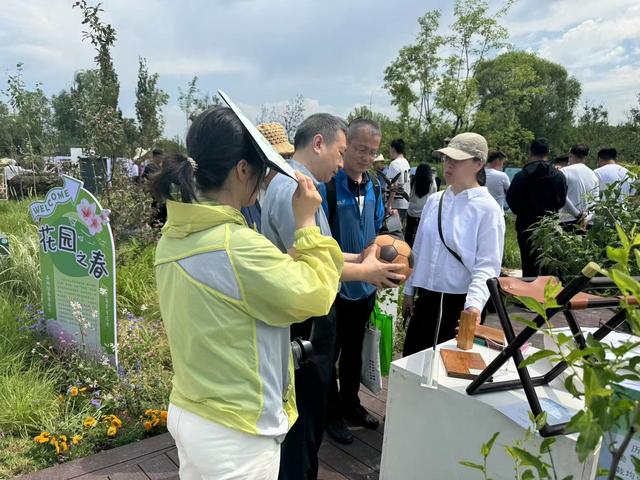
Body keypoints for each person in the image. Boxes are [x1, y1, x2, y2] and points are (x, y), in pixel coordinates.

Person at [152, 106, 343, 480]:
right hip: (236, 431)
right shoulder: (234, 245)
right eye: (260, 169)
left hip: (193, 411)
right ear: (242, 169)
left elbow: (236, 281)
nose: (264, 179)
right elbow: (317, 295)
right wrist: (306, 223)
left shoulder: (177, 235)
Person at [261, 114, 403, 480]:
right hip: (303, 322)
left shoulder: (302, 185)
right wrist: (368, 272)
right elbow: (310, 265)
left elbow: (321, 252)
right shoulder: (293, 188)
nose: (342, 163)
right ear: (319, 143)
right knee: (303, 420)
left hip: (311, 316)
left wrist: (360, 258)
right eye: (341, 152)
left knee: (310, 414)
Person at [402, 132, 505, 356]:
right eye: (446, 159)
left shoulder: (487, 208)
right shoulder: (435, 200)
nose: (448, 165)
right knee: (413, 362)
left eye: (456, 160)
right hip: (426, 299)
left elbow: (487, 265)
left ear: (478, 163)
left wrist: (474, 306)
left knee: (450, 371)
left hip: (460, 304)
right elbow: (418, 248)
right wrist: (409, 290)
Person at [324, 119, 393, 445]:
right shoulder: (328, 184)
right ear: (345, 145)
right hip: (333, 287)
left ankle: (350, 404)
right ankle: (330, 413)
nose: (367, 157)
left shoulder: (375, 186)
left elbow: (377, 232)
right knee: (328, 355)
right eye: (361, 149)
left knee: (354, 351)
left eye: (373, 152)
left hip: (364, 288)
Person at [506, 138, 568, 277]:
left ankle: (529, 293)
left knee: (528, 263)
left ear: (530, 152)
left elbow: (511, 198)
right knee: (548, 263)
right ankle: (548, 294)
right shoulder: (558, 175)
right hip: (549, 225)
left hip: (525, 225)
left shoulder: (522, 175)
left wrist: (521, 211)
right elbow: (562, 200)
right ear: (548, 152)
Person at [240, 122, 293, 232]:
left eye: (288, 157)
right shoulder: (245, 197)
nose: (286, 165)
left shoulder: (288, 193)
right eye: (282, 158)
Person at [558, 144, 600, 231]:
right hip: (587, 222)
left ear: (570, 154)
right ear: (586, 157)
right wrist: (587, 218)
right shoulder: (593, 175)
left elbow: (561, 196)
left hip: (567, 220)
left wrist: (577, 215)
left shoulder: (564, 172)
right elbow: (596, 202)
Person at [405, 163, 437, 248]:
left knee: (409, 231)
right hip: (424, 212)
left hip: (412, 211)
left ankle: (407, 247)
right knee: (421, 233)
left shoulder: (413, 180)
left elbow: (409, 194)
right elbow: (434, 195)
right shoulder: (432, 182)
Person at [141, 149, 168, 227]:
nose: (160, 159)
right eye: (159, 157)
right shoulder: (150, 167)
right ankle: (154, 231)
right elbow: (147, 179)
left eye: (161, 157)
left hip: (162, 196)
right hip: (154, 196)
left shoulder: (162, 167)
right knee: (155, 215)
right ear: (154, 157)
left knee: (163, 215)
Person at [387, 138, 412, 222]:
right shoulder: (406, 162)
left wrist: (389, 204)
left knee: (393, 230)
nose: (389, 151)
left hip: (396, 204)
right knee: (399, 229)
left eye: (390, 148)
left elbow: (394, 185)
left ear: (393, 148)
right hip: (405, 203)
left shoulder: (394, 164)